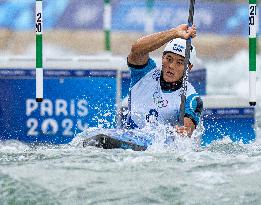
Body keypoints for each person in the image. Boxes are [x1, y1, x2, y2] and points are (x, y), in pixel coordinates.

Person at [125, 24, 203, 137]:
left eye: (180, 63)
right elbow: (136, 49)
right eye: (169, 59)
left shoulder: (191, 98)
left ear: (189, 68)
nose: (171, 66)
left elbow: (187, 129)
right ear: (162, 58)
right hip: (128, 141)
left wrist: (183, 131)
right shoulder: (144, 74)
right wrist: (174, 33)